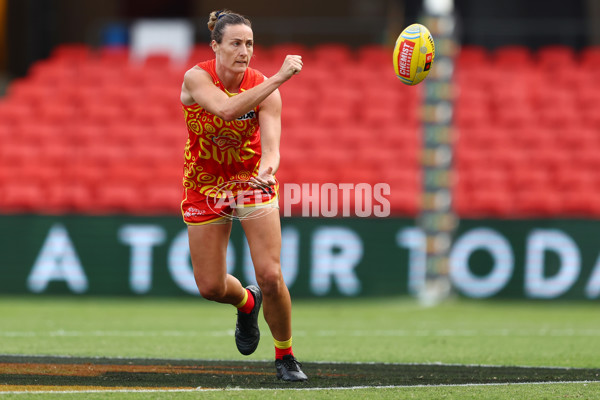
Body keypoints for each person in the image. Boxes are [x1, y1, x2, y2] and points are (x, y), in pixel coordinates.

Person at [179, 9, 307, 382]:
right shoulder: (195, 78)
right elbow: (225, 108)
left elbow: (272, 150)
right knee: (210, 286)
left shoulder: (267, 90)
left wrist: (267, 171)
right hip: (205, 185)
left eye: (249, 43)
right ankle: (245, 302)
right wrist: (281, 76)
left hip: (250, 184)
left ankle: (286, 356)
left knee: (271, 274)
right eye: (235, 43)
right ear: (215, 45)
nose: (244, 51)